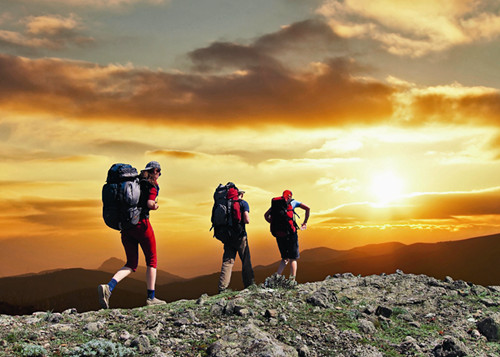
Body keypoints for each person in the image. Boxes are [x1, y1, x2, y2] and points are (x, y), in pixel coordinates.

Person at [98, 161, 166, 308]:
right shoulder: (152, 185)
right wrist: (155, 205)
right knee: (152, 260)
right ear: (155, 171)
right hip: (142, 226)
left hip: (126, 226)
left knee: (131, 263)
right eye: (159, 172)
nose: (159, 175)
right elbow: (149, 203)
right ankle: (151, 297)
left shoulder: (135, 182)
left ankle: (108, 287)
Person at [264, 190, 310, 280]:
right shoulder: (293, 202)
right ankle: (292, 280)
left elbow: (266, 215)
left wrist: (273, 223)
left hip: (279, 234)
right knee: (293, 258)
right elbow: (308, 208)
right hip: (291, 234)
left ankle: (277, 278)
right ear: (291, 196)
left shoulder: (276, 204)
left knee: (284, 258)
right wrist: (305, 222)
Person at [218, 187, 255, 293]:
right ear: (241, 194)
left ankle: (222, 288)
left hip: (228, 237)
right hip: (240, 236)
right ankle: (249, 285)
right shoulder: (243, 203)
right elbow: (246, 220)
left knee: (227, 261)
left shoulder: (224, 204)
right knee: (245, 260)